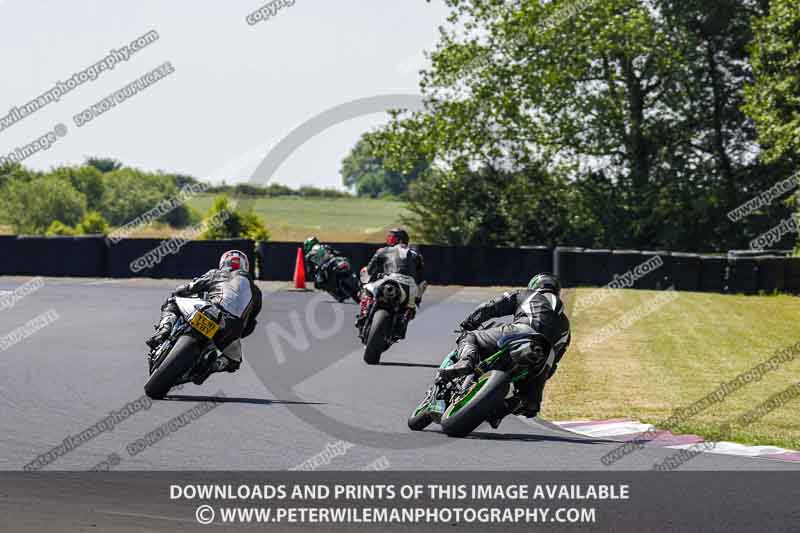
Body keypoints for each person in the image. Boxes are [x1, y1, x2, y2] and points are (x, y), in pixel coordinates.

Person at [438, 273, 570, 426]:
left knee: (470, 337)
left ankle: (466, 362)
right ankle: (501, 410)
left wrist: (469, 322)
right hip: (545, 358)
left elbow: (492, 306)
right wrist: (538, 381)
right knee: (530, 404)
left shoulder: (527, 294)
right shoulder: (567, 325)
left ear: (535, 285)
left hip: (522, 331)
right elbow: (555, 363)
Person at [145, 250, 262, 384]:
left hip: (211, 310)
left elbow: (186, 289)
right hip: (231, 328)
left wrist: (182, 290)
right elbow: (251, 324)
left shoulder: (216, 273)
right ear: (245, 266)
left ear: (223, 263)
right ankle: (214, 365)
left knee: (173, 300)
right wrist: (237, 334)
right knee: (234, 361)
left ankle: (164, 330)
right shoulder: (256, 291)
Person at [357, 228, 425, 337]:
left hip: (389, 280)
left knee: (366, 291)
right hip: (409, 287)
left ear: (398, 239)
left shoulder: (383, 250)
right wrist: (418, 298)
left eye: (391, 237)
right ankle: (402, 324)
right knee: (410, 309)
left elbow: (368, 270)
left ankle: (363, 315)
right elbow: (421, 281)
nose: (388, 239)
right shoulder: (417, 256)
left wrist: (363, 284)